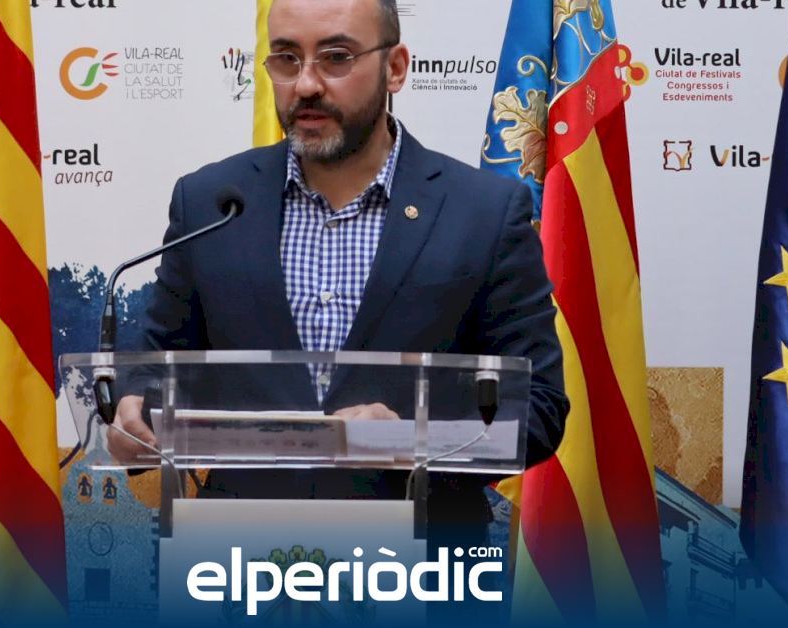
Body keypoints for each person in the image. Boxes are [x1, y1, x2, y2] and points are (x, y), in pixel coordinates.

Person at [110, 0, 567, 548]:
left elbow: (537, 406)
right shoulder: (210, 203)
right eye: (286, 58)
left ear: (395, 67)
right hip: (238, 556)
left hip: (422, 562)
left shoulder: (484, 212)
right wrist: (132, 409)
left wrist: (409, 439)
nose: (305, 84)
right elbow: (157, 364)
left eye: (335, 58)